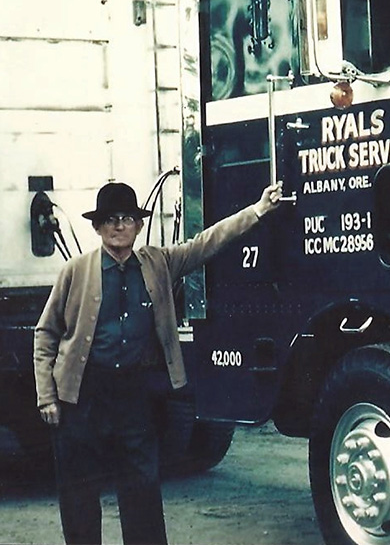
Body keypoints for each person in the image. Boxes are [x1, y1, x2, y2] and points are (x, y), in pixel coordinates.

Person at [33, 180, 283, 544]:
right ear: (97, 227)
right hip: (82, 394)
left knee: (141, 486)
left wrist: (257, 210)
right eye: (110, 219)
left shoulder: (159, 263)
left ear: (138, 225)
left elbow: (208, 242)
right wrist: (47, 397)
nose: (119, 226)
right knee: (79, 490)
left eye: (127, 218)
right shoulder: (75, 271)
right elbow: (45, 333)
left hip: (133, 393)